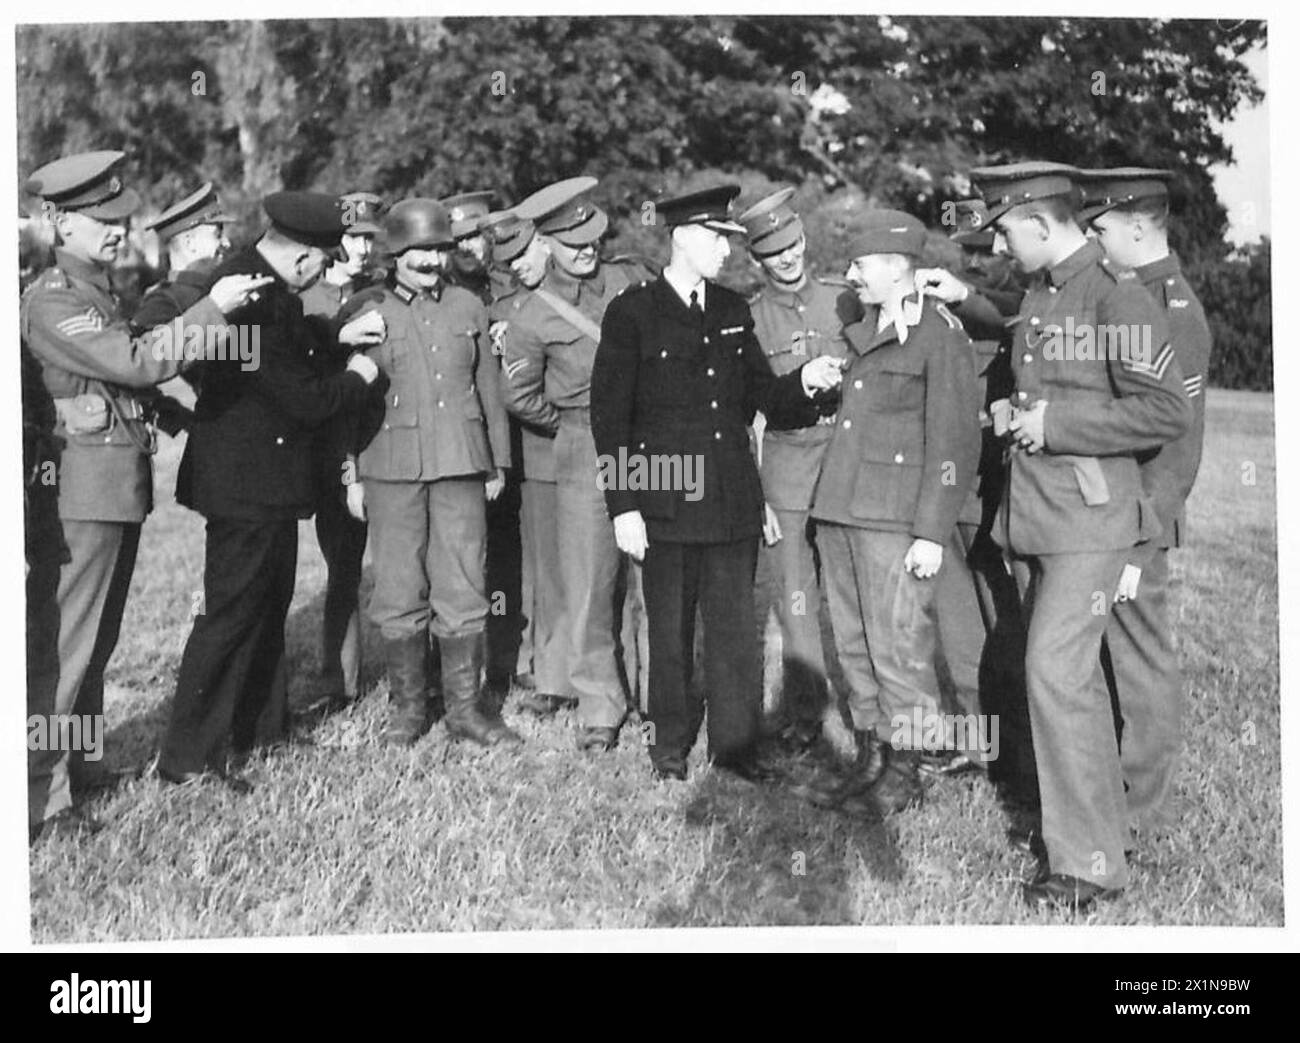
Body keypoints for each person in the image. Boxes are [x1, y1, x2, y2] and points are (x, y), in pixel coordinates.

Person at [969, 161, 1192, 911]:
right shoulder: (1044, 290)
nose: (1001, 243)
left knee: (1055, 673)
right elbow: (1050, 385)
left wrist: (1055, 425)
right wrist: (1016, 417)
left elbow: (1164, 411)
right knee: (1074, 681)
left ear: (1039, 220)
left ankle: (1088, 864)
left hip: (1091, 521)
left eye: (1004, 229)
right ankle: (1098, 835)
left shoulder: (1115, 294)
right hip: (1040, 514)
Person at [21, 151, 267, 820]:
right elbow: (134, 360)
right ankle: (42, 797)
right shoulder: (52, 300)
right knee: (65, 651)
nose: (114, 229)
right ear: (56, 222)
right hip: (79, 496)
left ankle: (83, 762)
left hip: (113, 490)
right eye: (98, 219)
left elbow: (123, 382)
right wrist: (212, 308)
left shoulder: (97, 291)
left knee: (97, 643)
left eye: (117, 216)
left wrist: (182, 415)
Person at [590, 184, 845, 782]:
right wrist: (623, 507)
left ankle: (734, 747)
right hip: (663, 499)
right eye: (717, 240)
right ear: (680, 238)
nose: (728, 252)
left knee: (734, 633)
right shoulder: (633, 313)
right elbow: (609, 418)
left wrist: (805, 381)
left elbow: (764, 396)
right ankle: (669, 745)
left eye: (730, 241)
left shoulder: (733, 311)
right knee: (671, 632)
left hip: (731, 500)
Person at [158, 191, 384, 789]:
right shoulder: (248, 298)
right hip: (243, 484)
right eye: (320, 259)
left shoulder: (265, 287)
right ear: (305, 258)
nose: (320, 270)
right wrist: (359, 374)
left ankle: (260, 728)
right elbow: (300, 397)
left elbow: (298, 354)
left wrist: (336, 338)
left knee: (267, 604)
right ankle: (188, 756)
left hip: (267, 484)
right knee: (230, 615)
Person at [798, 210, 980, 817]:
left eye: (861, 264)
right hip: (842, 509)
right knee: (853, 644)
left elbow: (954, 442)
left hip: (894, 520)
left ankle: (910, 769)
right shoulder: (870, 326)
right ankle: (874, 757)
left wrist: (931, 532)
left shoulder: (940, 335)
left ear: (898, 268)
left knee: (899, 647)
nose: (851, 276)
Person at [339, 198, 520, 748]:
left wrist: (497, 461)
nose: (430, 260)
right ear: (394, 254)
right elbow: (347, 399)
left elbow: (489, 389)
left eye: (439, 249)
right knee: (398, 585)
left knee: (464, 581)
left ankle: (466, 710)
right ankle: (408, 709)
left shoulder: (468, 306)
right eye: (418, 250)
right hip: (389, 466)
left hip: (462, 461)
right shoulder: (366, 310)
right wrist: (350, 472)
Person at [499, 177, 654, 751]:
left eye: (591, 236)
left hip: (647, 443)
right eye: (571, 241)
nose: (586, 249)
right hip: (583, 446)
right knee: (591, 580)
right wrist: (568, 425)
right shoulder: (530, 315)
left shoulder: (632, 281)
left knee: (651, 573)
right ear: (545, 243)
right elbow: (520, 396)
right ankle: (599, 707)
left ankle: (653, 693)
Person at [1079, 167, 1212, 835]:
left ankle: (1134, 812)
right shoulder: (1129, 294)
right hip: (1106, 514)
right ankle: (1106, 790)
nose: (1092, 240)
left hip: (1139, 521)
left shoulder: (1173, 310)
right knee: (1104, 656)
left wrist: (1143, 539)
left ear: (1137, 226)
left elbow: (1177, 445)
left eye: (1098, 227)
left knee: (1139, 664)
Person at [736, 186, 854, 751]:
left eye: (793, 244)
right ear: (755, 259)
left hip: (848, 460)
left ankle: (876, 708)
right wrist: (756, 495)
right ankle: (813, 712)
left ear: (806, 239)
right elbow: (742, 413)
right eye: (773, 251)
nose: (787, 258)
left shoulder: (845, 300)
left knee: (858, 589)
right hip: (786, 463)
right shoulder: (748, 319)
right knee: (795, 594)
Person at [299, 190, 387, 713]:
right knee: (344, 569)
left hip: (388, 443)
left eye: (369, 239)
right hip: (334, 452)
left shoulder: (383, 293)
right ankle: (341, 680)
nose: (360, 248)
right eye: (352, 237)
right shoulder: (308, 298)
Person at [483, 211, 572, 714]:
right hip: (540, 452)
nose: (517, 266)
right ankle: (551, 674)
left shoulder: (596, 293)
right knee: (545, 571)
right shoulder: (504, 308)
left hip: (605, 452)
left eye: (523, 253)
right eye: (507, 259)